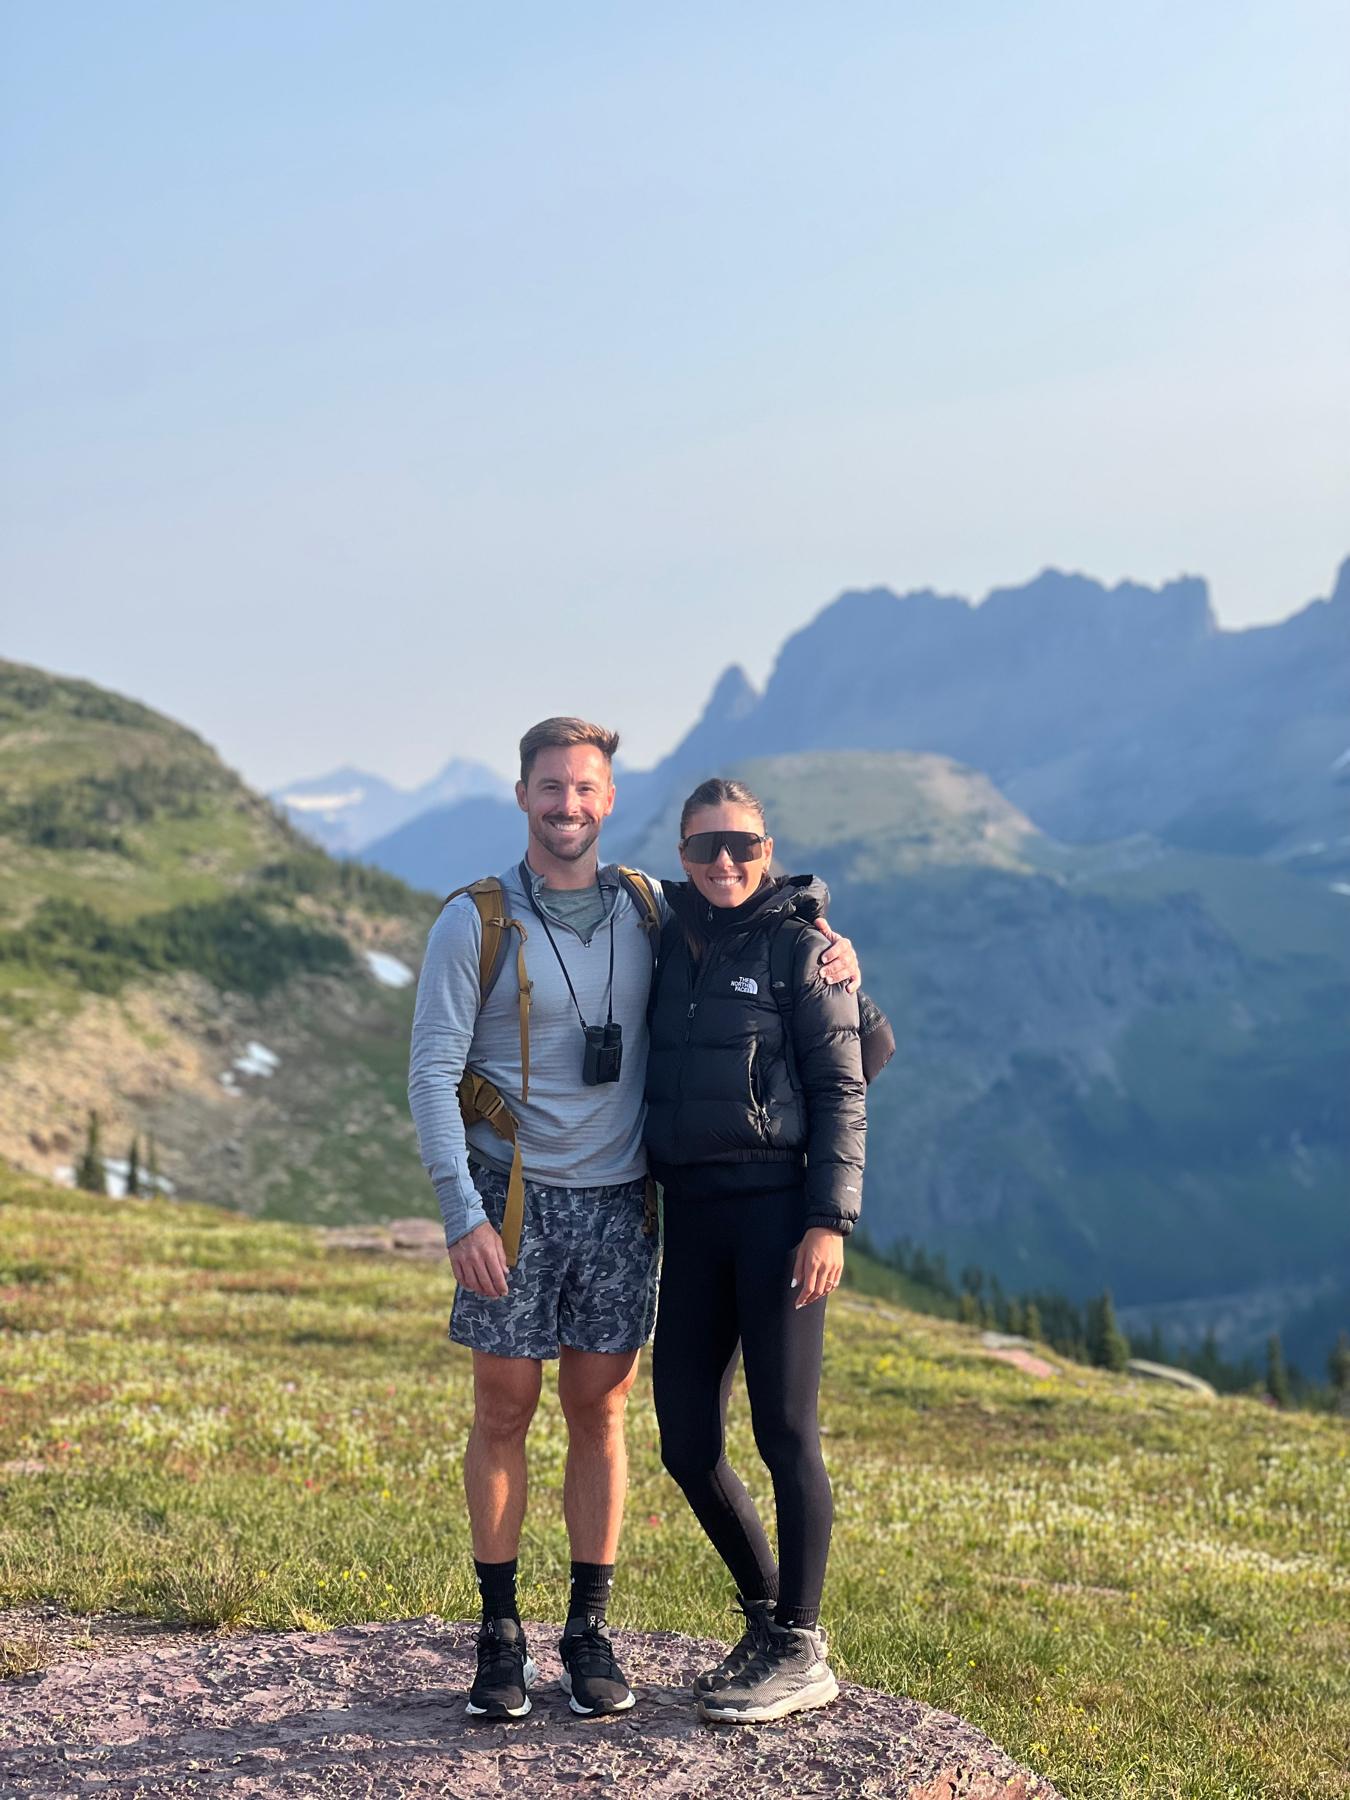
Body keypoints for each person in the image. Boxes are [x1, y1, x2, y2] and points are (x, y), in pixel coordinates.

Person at [407, 719, 859, 1722]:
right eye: (551, 787)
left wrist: (829, 945)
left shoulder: (652, 907)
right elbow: (432, 1074)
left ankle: (588, 1633)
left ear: (610, 802)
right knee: (501, 1413)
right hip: (512, 1207)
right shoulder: (473, 923)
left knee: (601, 1415)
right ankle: (498, 1639)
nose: (568, 805)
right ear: (522, 795)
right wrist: (460, 1215)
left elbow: (758, 925)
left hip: (621, 1205)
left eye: (586, 789)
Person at [644, 776, 866, 1724]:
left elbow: (847, 1085)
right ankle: (769, 1619)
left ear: (768, 848)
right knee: (686, 1442)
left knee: (783, 1432)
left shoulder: (803, 949)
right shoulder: (661, 933)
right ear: (681, 855)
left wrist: (829, 1222)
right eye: (703, 848)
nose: (724, 863)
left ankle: (802, 1646)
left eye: (741, 845)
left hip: (779, 1215)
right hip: (691, 1214)